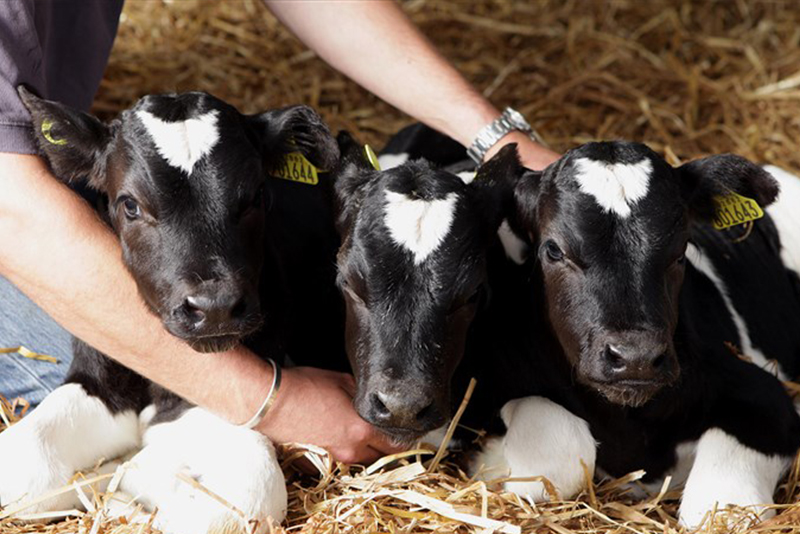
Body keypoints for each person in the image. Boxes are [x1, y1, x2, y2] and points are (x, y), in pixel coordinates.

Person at [0, 1, 559, 464]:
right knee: (127, 378)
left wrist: (492, 136)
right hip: (18, 206)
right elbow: (13, 209)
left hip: (48, 169)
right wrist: (272, 400)